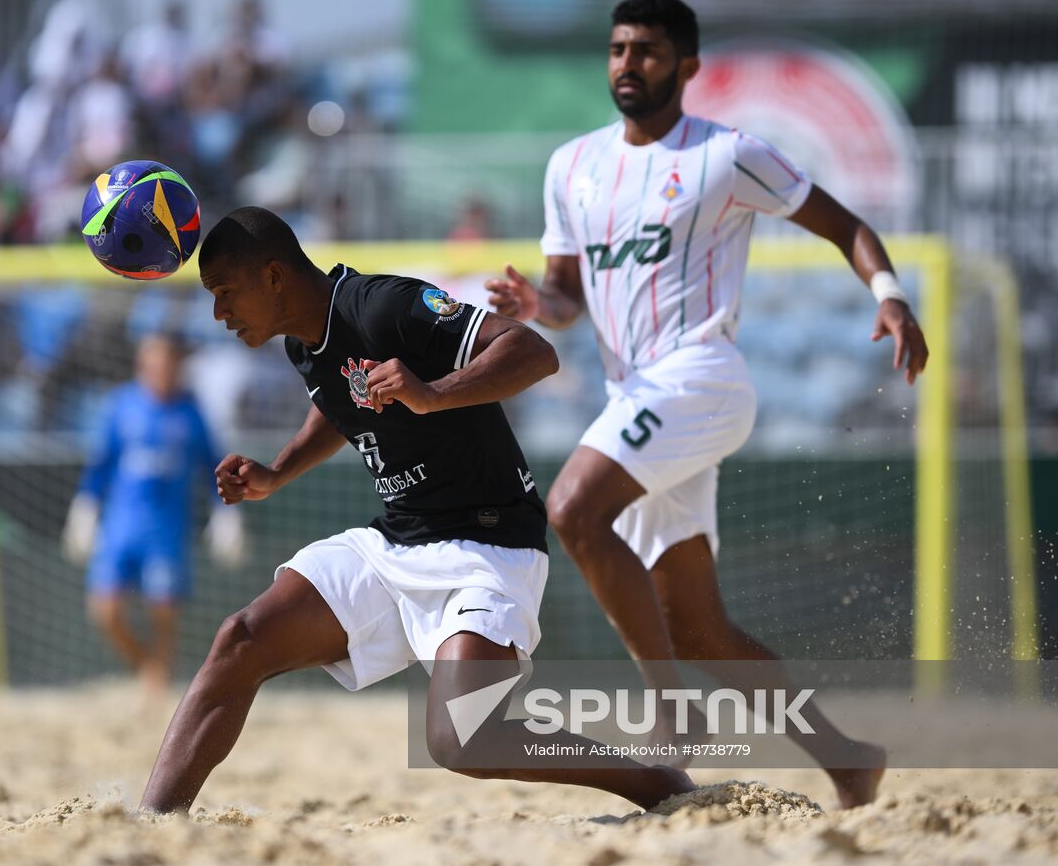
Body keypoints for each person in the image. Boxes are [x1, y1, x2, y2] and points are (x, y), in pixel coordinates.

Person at [485, 0, 924, 808]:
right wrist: (530, 307)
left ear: (687, 67)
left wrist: (890, 295)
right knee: (698, 630)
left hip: (700, 377)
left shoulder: (728, 155)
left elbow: (847, 225)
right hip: (638, 397)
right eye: (618, 48)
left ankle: (670, 709)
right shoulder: (572, 166)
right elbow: (566, 300)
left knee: (574, 508)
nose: (627, 63)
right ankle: (848, 760)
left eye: (647, 51)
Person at [137, 206, 695, 814]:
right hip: (398, 540)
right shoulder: (303, 342)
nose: (218, 313)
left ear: (273, 277)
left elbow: (534, 351)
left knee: (463, 740)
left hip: (489, 544)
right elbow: (342, 399)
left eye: (224, 292)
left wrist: (432, 395)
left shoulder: (385, 304)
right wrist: (279, 470)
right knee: (240, 638)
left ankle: (655, 783)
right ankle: (153, 825)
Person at [62, 333, 241, 692]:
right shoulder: (121, 406)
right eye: (154, 363)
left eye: (168, 364)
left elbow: (213, 467)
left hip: (167, 531)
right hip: (120, 527)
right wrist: (84, 508)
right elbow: (100, 464)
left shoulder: (191, 413)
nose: (162, 371)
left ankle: (156, 686)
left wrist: (226, 515)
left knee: (164, 612)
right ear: (142, 366)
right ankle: (144, 665)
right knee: (104, 610)